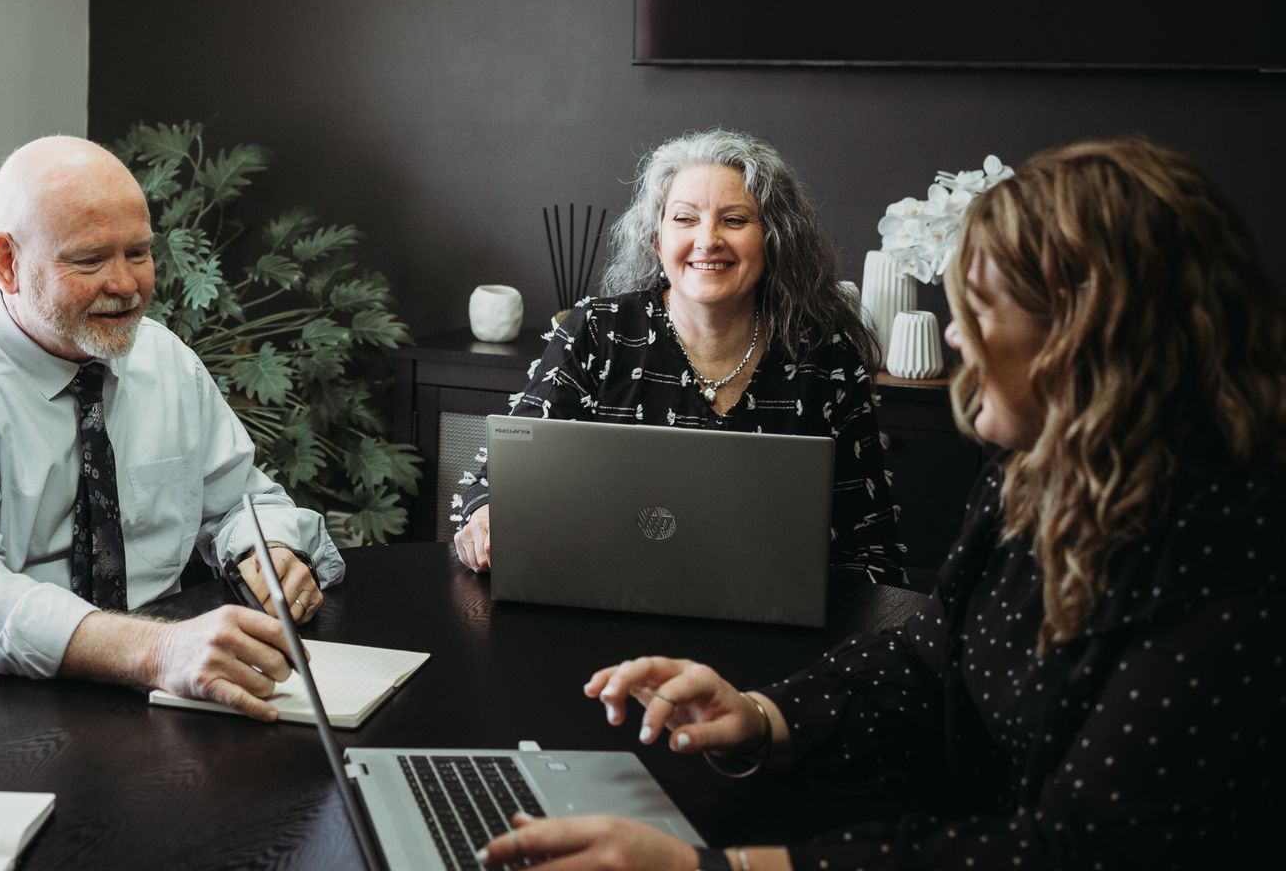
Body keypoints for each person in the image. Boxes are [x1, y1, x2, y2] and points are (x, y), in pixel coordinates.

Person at [479, 138, 1284, 870]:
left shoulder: (1237, 566)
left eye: (984, 305)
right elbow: (929, 657)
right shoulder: (1030, 476)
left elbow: (1068, 853)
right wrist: (760, 716)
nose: (959, 338)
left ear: (1093, 331)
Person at [0, 136, 345, 721]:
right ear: (8, 263)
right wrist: (157, 649)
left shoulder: (164, 360)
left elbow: (240, 499)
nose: (124, 285)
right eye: (89, 260)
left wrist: (266, 546)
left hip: (126, 693)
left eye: (138, 253)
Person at [454, 129, 902, 585]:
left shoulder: (826, 357)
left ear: (774, 238)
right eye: (685, 219)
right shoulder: (595, 333)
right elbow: (496, 483)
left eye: (734, 219)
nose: (708, 240)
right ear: (656, 240)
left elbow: (870, 549)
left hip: (776, 632)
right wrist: (487, 515)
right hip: (605, 608)